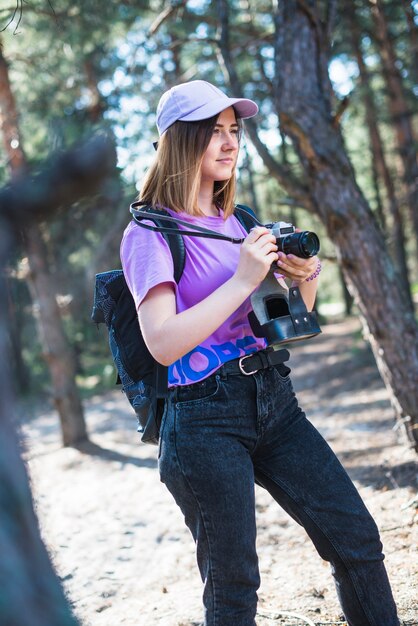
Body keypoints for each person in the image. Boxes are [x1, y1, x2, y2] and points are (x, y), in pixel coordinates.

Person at [120, 79, 399, 626]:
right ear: (179, 141)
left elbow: (287, 318)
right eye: (212, 133)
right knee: (234, 586)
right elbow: (161, 342)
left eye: (233, 131)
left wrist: (303, 276)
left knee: (356, 541)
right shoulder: (149, 233)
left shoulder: (242, 221)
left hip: (275, 400)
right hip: (202, 419)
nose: (229, 144)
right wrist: (243, 278)